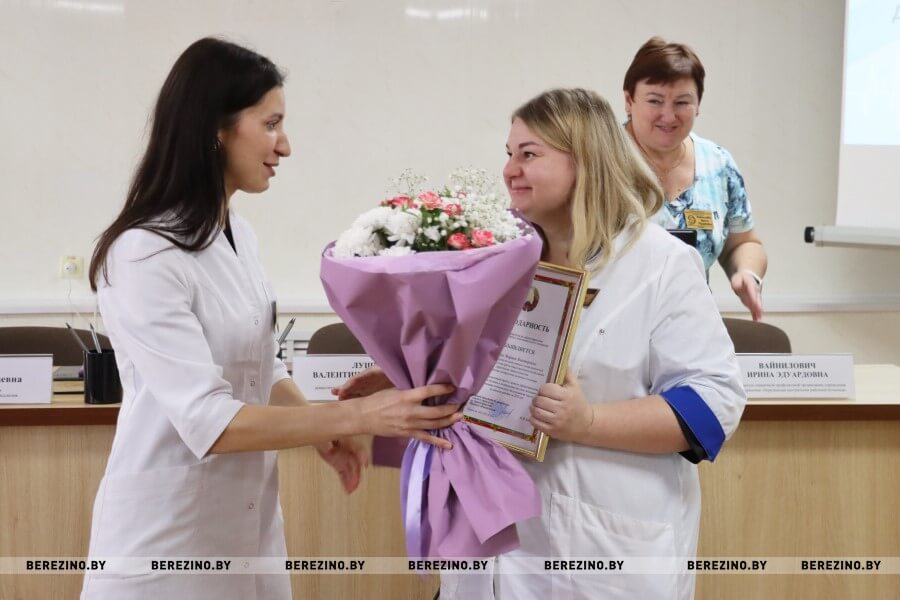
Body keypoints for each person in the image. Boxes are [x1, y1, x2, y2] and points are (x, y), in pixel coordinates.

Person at [81, 37, 460, 600]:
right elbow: (210, 422)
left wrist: (320, 431)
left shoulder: (238, 233)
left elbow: (262, 363)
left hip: (249, 527)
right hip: (166, 542)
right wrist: (357, 416)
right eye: (271, 124)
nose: (285, 145)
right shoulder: (143, 253)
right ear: (216, 128)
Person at [624, 36, 768, 320]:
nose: (668, 115)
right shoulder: (600, 160)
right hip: (611, 329)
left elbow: (743, 243)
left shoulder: (718, 164)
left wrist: (747, 273)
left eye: (682, 102)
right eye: (655, 101)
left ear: (698, 104)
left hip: (692, 327)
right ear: (629, 101)